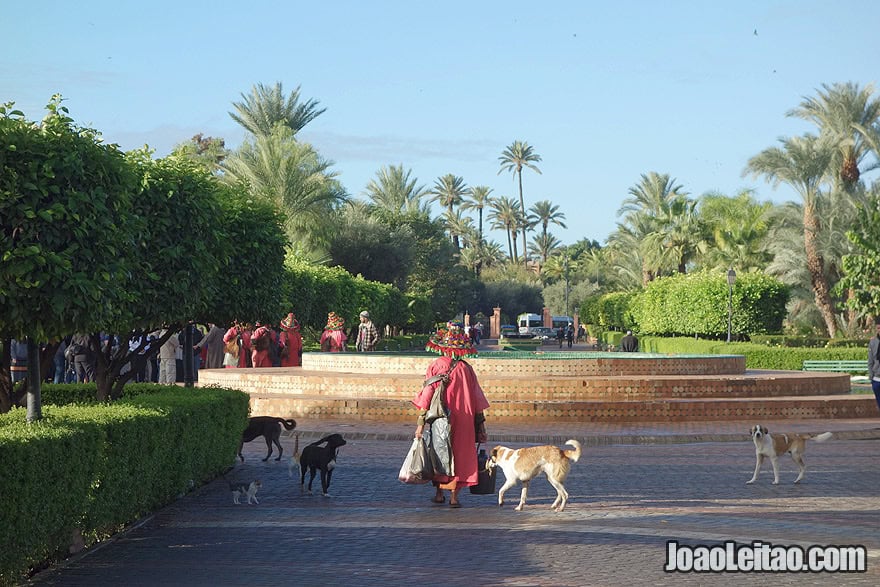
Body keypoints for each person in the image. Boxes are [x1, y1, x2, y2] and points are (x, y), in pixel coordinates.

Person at [412, 321, 489, 508]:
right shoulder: (467, 369)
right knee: (461, 455)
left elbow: (428, 393)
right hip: (464, 420)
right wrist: (481, 426)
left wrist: (420, 424)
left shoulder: (436, 365)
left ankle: (439, 494)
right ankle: (454, 497)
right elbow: (478, 399)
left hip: (440, 418)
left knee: (440, 453)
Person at [868, 319, 880, 412]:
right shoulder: (873, 342)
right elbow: (870, 360)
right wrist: (871, 376)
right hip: (876, 379)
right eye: (878, 328)